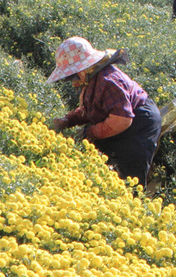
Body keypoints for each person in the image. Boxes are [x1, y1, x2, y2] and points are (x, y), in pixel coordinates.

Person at [47, 37, 162, 187]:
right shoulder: (92, 78)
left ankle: (133, 201)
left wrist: (89, 133)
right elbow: (93, 108)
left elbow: (122, 119)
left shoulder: (108, 81)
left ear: (84, 68)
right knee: (102, 159)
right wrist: (69, 120)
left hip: (140, 122)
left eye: (73, 75)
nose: (72, 81)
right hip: (122, 118)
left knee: (130, 170)